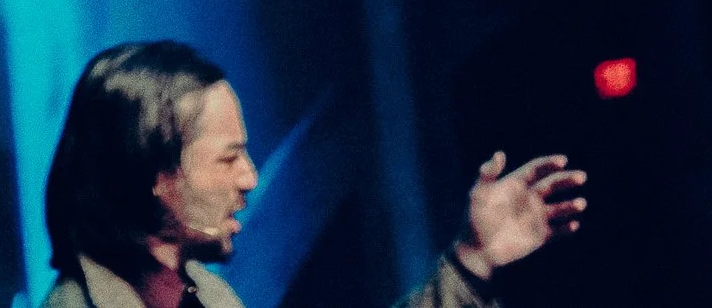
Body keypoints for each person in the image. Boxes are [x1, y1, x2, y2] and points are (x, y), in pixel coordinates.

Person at [42, 43, 587, 308]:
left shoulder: (207, 299)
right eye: (228, 159)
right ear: (156, 175)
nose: (251, 179)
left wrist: (471, 260)